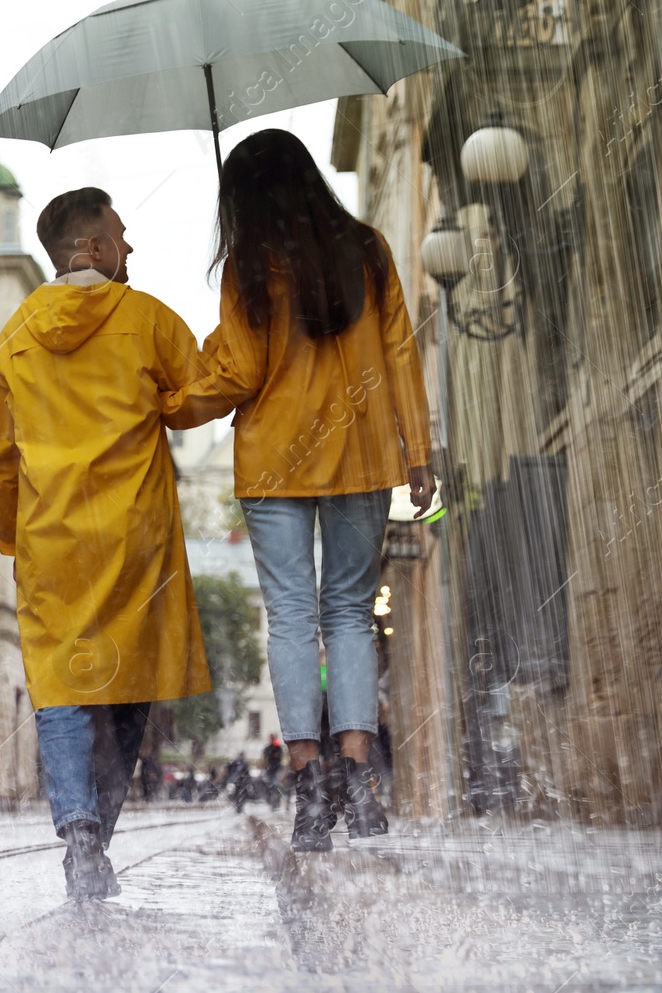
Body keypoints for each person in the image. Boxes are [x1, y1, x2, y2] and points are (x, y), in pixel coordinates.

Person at [160, 129, 435, 852]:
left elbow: (238, 375)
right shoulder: (368, 250)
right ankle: (359, 778)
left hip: (276, 458)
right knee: (347, 613)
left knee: (289, 617)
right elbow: (402, 350)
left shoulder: (250, 266)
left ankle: (309, 784)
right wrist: (418, 451)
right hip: (361, 453)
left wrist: (172, 404)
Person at [0, 187, 212, 900]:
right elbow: (204, 392)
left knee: (61, 692)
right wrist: (166, 402)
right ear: (92, 247)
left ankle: (80, 833)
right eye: (121, 234)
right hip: (134, 541)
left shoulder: (17, 332)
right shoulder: (145, 320)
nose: (131, 247)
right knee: (125, 692)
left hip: (51, 542)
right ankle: (94, 840)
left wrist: (12, 541)